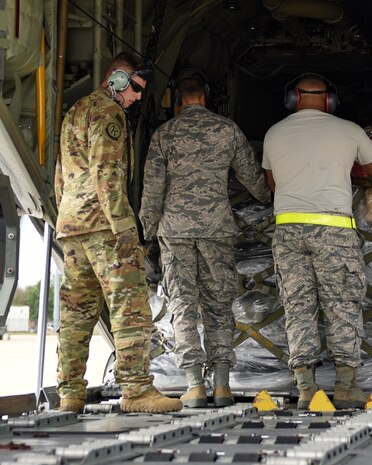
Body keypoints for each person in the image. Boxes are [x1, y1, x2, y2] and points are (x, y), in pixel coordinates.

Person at [54, 52, 182, 414]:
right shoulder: (108, 113)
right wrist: (126, 229)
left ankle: (70, 393)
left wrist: (66, 216)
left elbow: (61, 176)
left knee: (76, 311)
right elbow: (107, 175)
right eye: (136, 89)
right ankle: (137, 390)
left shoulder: (75, 111)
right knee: (130, 306)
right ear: (118, 80)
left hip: (73, 226)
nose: (138, 98)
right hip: (103, 226)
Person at [261, 73, 372, 409]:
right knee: (342, 305)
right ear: (330, 100)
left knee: (298, 307)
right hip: (333, 230)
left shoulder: (273, 133)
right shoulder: (348, 130)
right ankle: (347, 387)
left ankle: (306, 389)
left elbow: (273, 182)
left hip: (288, 230)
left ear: (293, 98)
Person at [140, 68, 271, 408]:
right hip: (216, 228)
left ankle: (195, 385)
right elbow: (253, 179)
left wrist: (147, 230)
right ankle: (224, 385)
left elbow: (152, 190)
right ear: (206, 95)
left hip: (175, 231)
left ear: (177, 99)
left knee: (183, 304)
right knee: (218, 305)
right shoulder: (227, 130)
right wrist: (268, 199)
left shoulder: (164, 134)